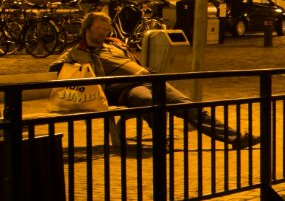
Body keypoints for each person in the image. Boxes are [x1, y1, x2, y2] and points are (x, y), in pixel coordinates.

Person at [54, 10, 260, 149]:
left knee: (190, 107)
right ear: (87, 29)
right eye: (99, 29)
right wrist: (74, 67)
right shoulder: (78, 51)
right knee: (148, 102)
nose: (103, 32)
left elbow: (133, 61)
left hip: (147, 78)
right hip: (122, 89)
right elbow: (56, 67)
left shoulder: (114, 44)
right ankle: (163, 141)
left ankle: (235, 137)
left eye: (106, 29)